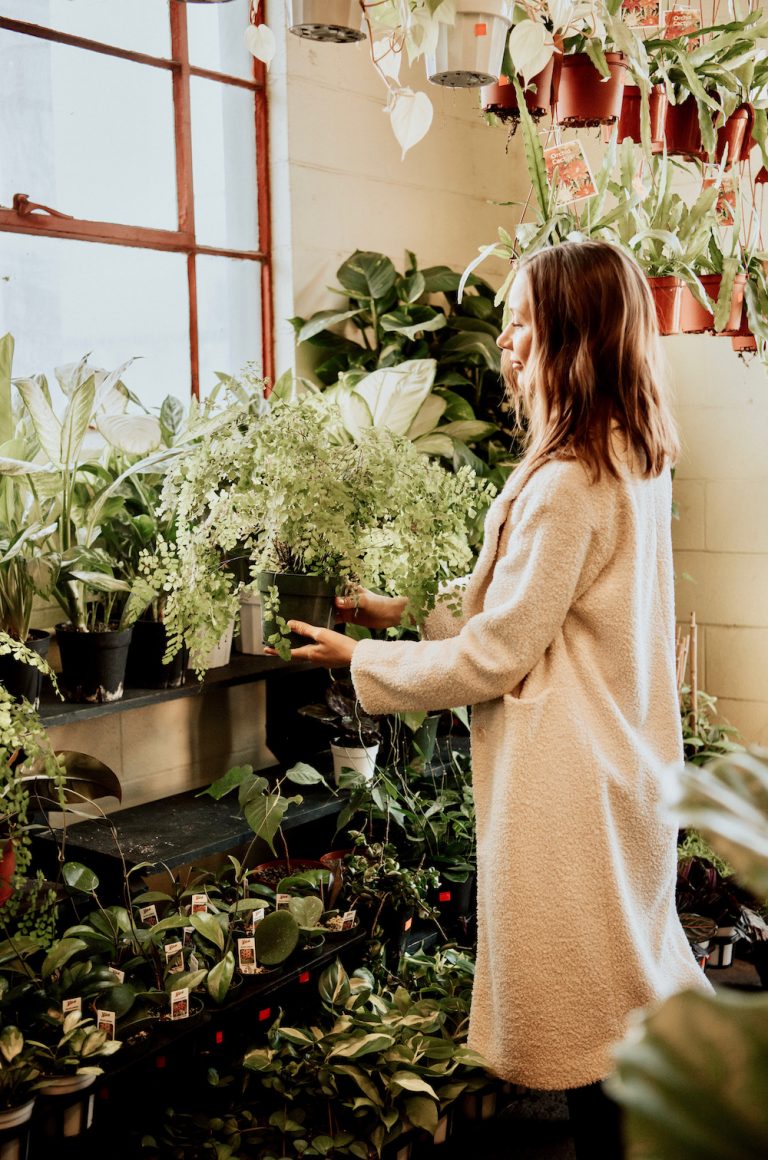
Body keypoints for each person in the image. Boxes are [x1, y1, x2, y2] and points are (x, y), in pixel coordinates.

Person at [265, 241, 713, 1156]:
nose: (505, 341)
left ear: (572, 337)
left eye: (522, 322)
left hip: (567, 788)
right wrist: (407, 613)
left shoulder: (563, 483)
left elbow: (494, 659)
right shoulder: (630, 459)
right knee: (626, 1018)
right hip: (624, 767)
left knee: (595, 1049)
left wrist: (365, 657)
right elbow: (538, 614)